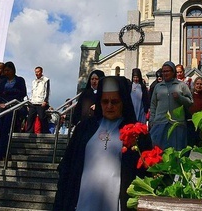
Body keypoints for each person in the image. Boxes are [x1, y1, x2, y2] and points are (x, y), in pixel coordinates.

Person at [53, 76, 152, 211]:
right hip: (83, 200)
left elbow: (144, 174)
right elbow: (68, 168)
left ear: (123, 102)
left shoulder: (136, 132)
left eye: (115, 101)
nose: (109, 106)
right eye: (105, 101)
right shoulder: (84, 129)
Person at [149, 61, 193, 151]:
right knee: (158, 150)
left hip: (176, 124)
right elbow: (153, 105)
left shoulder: (181, 85)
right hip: (159, 122)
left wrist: (180, 98)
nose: (165, 73)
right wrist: (152, 120)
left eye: (168, 71)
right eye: (164, 71)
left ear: (173, 72)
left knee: (176, 151)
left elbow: (190, 102)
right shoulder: (158, 86)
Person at [0, 61, 27, 161]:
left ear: (13, 70)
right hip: (2, 107)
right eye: (5, 70)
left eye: (8, 70)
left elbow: (22, 93)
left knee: (5, 130)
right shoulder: (2, 81)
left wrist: (7, 92)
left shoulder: (19, 80)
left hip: (12, 107)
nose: (6, 72)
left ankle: (1, 152)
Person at [26, 66, 50, 134]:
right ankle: (28, 132)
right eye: (35, 72)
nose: (37, 73)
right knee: (30, 117)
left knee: (42, 117)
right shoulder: (34, 81)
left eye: (38, 72)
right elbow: (32, 92)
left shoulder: (46, 80)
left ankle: (45, 132)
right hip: (33, 102)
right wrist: (29, 102)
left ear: (41, 72)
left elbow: (47, 90)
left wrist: (45, 100)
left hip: (41, 102)